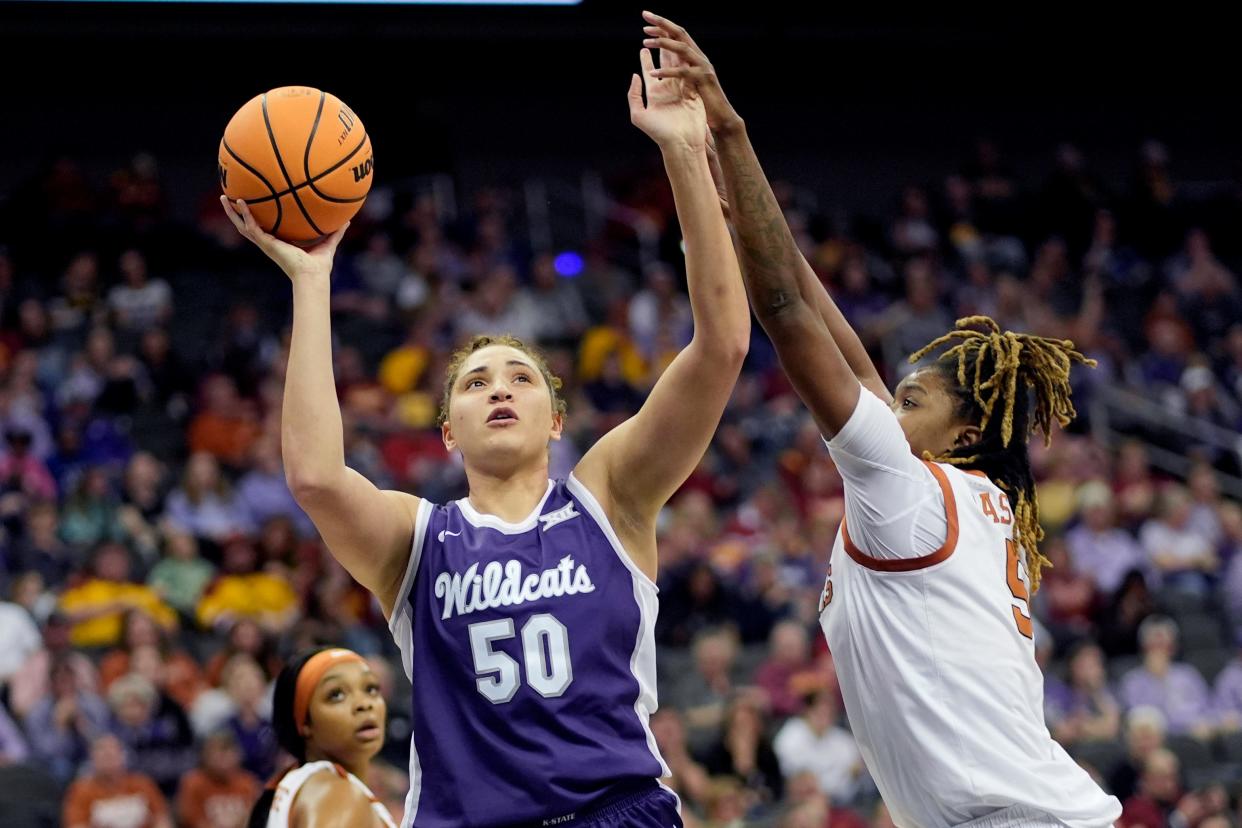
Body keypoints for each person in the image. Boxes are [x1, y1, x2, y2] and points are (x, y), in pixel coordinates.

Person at [220, 34, 749, 828]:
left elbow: (722, 348)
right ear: (447, 434)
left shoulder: (610, 500)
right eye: (475, 383)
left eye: (520, 378)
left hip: (620, 811)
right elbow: (317, 477)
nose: (499, 389)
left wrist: (681, 154)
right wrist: (312, 278)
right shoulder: (419, 540)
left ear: (557, 421)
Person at [638, 11, 1121, 826]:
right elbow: (829, 326)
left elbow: (789, 310)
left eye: (912, 401)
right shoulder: (961, 498)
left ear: (964, 434)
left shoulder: (911, 492)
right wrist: (732, 193)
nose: (887, 406)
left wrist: (727, 125)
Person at [246, 648, 394, 828]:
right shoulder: (336, 793)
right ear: (304, 722)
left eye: (371, 689)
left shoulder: (308, 786)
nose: (364, 704)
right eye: (336, 695)